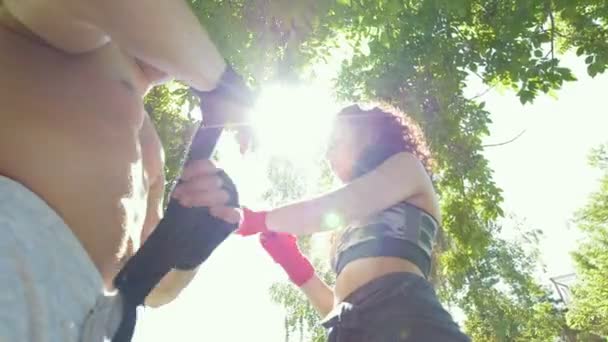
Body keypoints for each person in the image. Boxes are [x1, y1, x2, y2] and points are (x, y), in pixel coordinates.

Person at [0, 0, 243, 340]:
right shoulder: (59, 33)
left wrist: (188, 254)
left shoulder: (150, 151)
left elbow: (157, 294)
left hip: (94, 323)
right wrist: (221, 80)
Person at [234, 104, 471, 341]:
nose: (328, 155)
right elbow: (338, 308)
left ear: (371, 134)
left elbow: (337, 205)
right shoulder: (349, 225)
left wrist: (258, 220)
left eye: (336, 142)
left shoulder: (407, 167)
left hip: (408, 315)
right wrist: (295, 266)